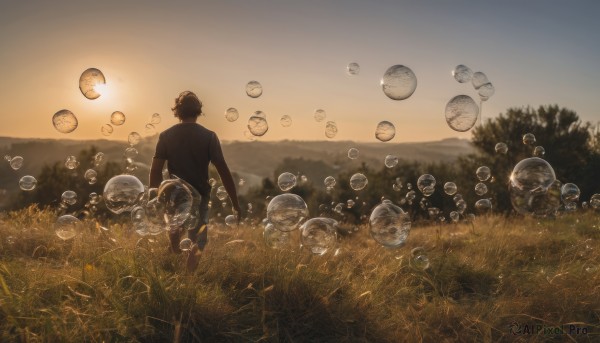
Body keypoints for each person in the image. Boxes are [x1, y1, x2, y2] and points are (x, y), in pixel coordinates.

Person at [149, 90, 241, 272]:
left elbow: (156, 170)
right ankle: (188, 281)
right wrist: (235, 202)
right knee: (197, 241)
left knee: (175, 236)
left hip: (173, 194)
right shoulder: (209, 136)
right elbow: (223, 171)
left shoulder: (166, 135)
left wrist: (155, 197)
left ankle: (171, 272)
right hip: (200, 195)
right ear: (198, 111)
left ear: (177, 111)